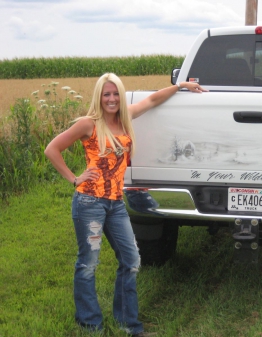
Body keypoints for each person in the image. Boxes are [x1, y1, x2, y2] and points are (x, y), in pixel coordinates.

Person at [44, 73, 207, 336]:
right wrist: (74, 179)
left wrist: (180, 86)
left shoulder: (125, 117)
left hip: (116, 204)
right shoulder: (88, 124)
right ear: (99, 97)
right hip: (90, 203)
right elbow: (52, 149)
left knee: (131, 260)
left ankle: (128, 324)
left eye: (115, 94)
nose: (111, 99)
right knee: (88, 264)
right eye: (106, 94)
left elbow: (153, 99)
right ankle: (90, 324)